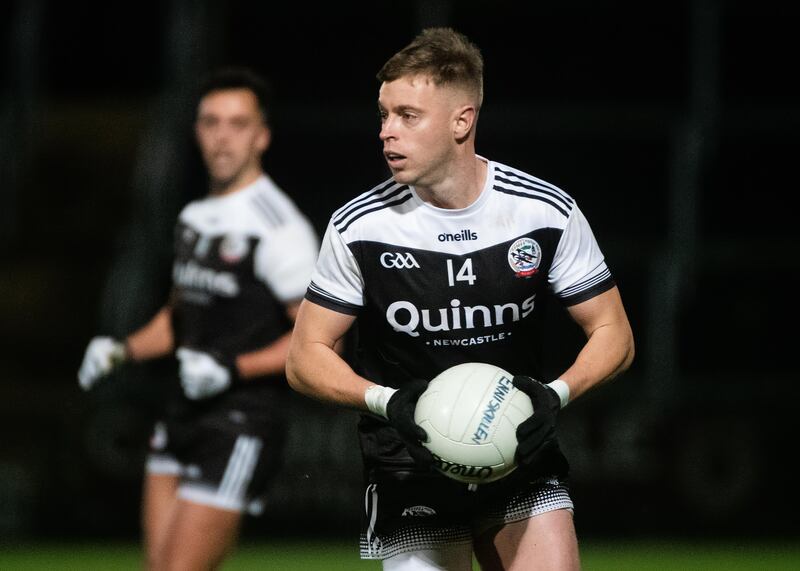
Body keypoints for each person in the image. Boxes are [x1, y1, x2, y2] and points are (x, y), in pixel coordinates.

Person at [286, 27, 634, 571]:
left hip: (518, 452)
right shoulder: (358, 226)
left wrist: (555, 396)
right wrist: (385, 401)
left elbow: (615, 333)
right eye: (383, 115)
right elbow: (304, 356)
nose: (386, 133)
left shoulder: (543, 213)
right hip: (409, 465)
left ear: (461, 121)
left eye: (407, 116)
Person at [77, 67, 319, 570]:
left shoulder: (279, 228)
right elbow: (177, 317)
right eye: (211, 122)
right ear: (197, 131)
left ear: (262, 135)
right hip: (181, 409)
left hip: (242, 421)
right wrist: (119, 350)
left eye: (237, 122)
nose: (222, 135)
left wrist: (232, 369)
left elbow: (316, 340)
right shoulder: (193, 217)